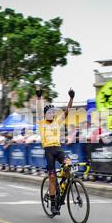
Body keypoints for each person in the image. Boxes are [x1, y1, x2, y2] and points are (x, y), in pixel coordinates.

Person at [36, 87, 75, 215]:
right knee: (52, 177)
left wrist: (71, 98)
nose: (52, 114)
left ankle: (62, 187)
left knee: (68, 164)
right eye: (49, 112)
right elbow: (39, 111)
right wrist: (39, 98)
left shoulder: (57, 122)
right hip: (48, 151)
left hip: (58, 149)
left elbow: (67, 112)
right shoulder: (42, 123)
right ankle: (53, 205)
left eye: (53, 112)